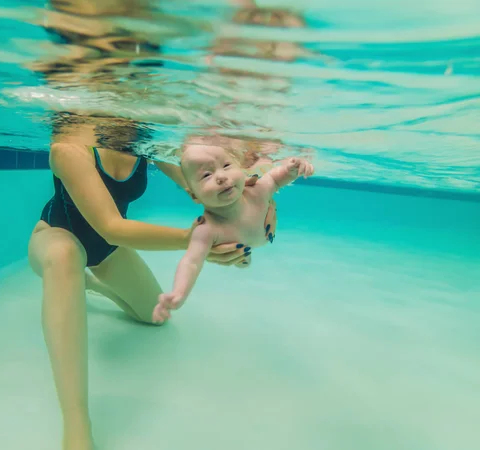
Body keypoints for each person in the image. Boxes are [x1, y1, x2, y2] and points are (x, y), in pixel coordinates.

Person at [27, 117, 277, 450]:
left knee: (153, 315)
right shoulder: (69, 146)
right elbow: (111, 227)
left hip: (108, 253)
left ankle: (93, 283)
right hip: (56, 237)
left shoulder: (144, 141)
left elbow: (199, 186)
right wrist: (196, 243)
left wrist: (256, 202)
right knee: (65, 257)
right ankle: (76, 424)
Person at [153, 142, 313, 323]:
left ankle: (244, 257)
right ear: (194, 196)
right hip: (243, 243)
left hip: (253, 240)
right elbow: (191, 262)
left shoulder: (256, 191)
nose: (221, 176)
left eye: (227, 165)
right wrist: (179, 293)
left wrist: (293, 168)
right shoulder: (207, 230)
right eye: (206, 175)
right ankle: (244, 257)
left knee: (243, 258)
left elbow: (275, 178)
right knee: (242, 259)